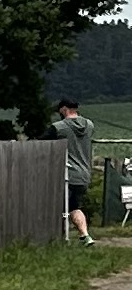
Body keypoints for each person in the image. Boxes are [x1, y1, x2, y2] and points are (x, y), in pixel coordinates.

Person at [53, 99, 96, 241]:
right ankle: (85, 235)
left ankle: (62, 237)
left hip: (67, 174)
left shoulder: (59, 127)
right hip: (84, 174)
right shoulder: (89, 125)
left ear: (64, 109)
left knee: (61, 206)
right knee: (74, 207)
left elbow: (41, 142)